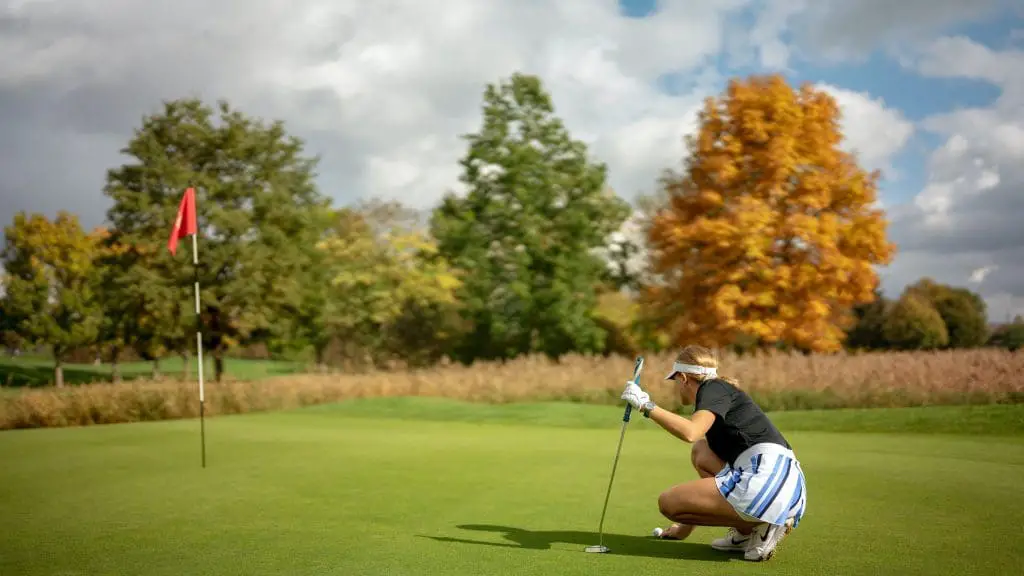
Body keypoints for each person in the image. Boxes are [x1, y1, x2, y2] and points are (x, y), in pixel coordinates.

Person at [619, 345, 807, 562]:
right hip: (781, 483)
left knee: (668, 502)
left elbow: (691, 431)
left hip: (768, 481)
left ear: (683, 378)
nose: (676, 387)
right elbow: (698, 444)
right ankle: (746, 534)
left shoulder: (713, 388)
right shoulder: (718, 395)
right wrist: (682, 530)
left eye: (675, 381)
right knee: (702, 451)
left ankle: (763, 524)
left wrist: (645, 405)